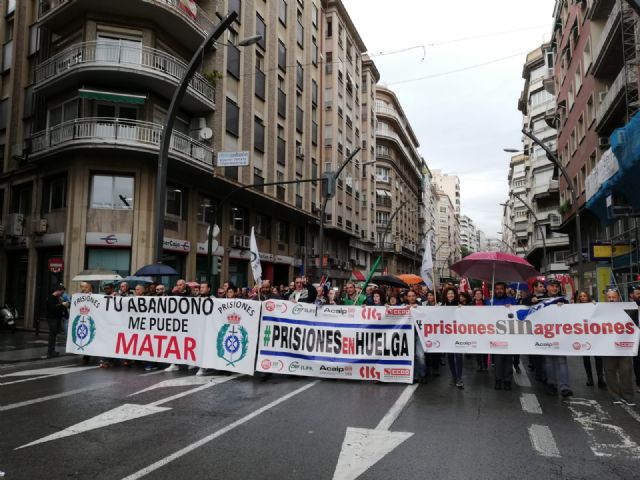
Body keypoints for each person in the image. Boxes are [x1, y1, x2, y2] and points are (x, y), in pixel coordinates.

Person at [603, 289, 636, 406]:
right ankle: (615, 395)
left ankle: (627, 396)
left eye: (614, 297)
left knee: (626, 371)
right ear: (606, 298)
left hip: (624, 346)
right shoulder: (600, 310)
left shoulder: (628, 308)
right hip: (607, 347)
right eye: (609, 297)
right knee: (609, 371)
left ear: (619, 297)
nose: (611, 299)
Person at [541, 279, 573, 397]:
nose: (555, 288)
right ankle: (551, 384)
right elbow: (526, 301)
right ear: (547, 288)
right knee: (548, 361)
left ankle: (565, 387)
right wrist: (531, 300)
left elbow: (571, 313)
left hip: (560, 334)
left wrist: (564, 307)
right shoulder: (540, 299)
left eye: (557, 287)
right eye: (552, 286)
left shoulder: (563, 300)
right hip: (545, 334)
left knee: (561, 360)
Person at [488, 282, 516, 391]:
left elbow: (516, 312)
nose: (499, 290)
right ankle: (498, 380)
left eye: (501, 289)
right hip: (495, 334)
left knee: (508, 359)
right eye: (497, 289)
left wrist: (511, 307)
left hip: (509, 334)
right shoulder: (489, 301)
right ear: (494, 290)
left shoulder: (511, 300)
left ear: (505, 290)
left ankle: (508, 381)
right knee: (498, 360)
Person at [576, 290, 605, 388]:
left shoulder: (594, 305)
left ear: (588, 297)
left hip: (595, 335)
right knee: (586, 358)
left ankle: (600, 378)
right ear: (579, 298)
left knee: (598, 357)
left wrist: (595, 305)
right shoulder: (575, 308)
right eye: (581, 296)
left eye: (584, 296)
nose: (583, 297)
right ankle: (590, 378)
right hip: (583, 336)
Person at [522, 280, 547, 382]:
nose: (542, 288)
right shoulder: (530, 297)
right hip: (535, 328)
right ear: (535, 288)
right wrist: (531, 300)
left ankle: (546, 374)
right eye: (540, 286)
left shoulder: (547, 297)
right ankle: (539, 372)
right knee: (537, 353)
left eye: (543, 286)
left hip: (547, 329)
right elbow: (524, 302)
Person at [442, 287, 464, 389]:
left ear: (455, 295)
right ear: (446, 295)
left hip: (458, 334)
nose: (450, 295)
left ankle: (459, 377)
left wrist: (461, 309)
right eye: (448, 293)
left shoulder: (459, 306)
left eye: (452, 293)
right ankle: (453, 376)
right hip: (447, 336)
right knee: (450, 357)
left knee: (459, 356)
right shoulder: (442, 306)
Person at [406, 290, 427, 384]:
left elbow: (427, 314)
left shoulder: (422, 306)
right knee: (412, 356)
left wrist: (417, 308)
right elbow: (391, 310)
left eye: (413, 296)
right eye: (409, 296)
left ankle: (422, 374)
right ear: (407, 297)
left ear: (416, 296)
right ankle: (414, 376)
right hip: (408, 335)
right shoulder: (404, 306)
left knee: (420, 356)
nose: (411, 298)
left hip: (419, 335)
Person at [45, 285, 66, 358]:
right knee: (52, 335)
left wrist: (62, 304)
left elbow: (60, 308)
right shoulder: (50, 298)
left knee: (54, 335)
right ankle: (50, 352)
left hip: (57, 318)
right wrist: (61, 304)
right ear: (58, 290)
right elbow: (53, 308)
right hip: (52, 319)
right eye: (62, 292)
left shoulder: (58, 298)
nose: (62, 294)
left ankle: (52, 351)